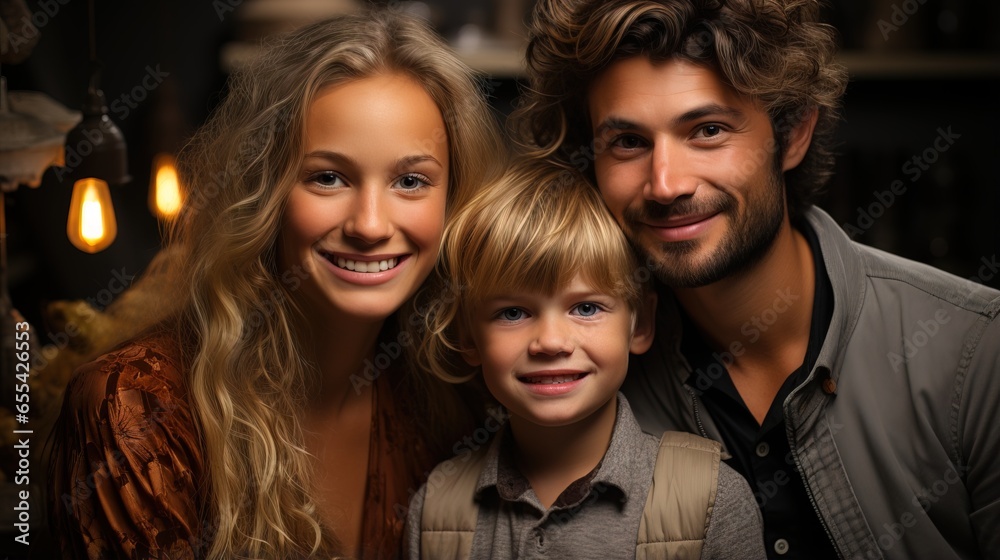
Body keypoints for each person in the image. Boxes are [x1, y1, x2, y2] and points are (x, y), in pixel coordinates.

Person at [513, 1, 1000, 559]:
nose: (666, 184)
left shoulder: (977, 354)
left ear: (792, 134)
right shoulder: (570, 371)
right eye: (628, 142)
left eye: (708, 130)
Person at [48, 9, 504, 559]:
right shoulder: (133, 408)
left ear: (452, 203)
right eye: (327, 177)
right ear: (264, 193)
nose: (371, 225)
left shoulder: (453, 390)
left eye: (411, 181)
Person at [404, 161, 767, 559]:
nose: (551, 342)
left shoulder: (711, 501)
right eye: (513, 313)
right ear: (468, 338)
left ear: (641, 324)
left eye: (587, 308)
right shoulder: (436, 511)